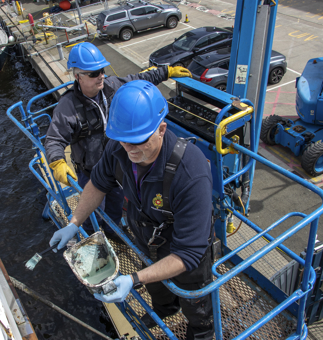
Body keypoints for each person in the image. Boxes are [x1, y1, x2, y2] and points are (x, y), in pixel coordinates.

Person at [49, 80, 214, 339]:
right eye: (123, 140)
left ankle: (199, 331)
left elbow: (188, 254)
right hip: (147, 242)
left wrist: (133, 279)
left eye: (138, 141)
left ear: (161, 129)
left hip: (183, 254)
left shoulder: (190, 172)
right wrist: (74, 222)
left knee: (197, 306)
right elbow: (98, 183)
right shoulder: (119, 149)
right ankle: (164, 309)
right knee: (157, 289)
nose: (130, 149)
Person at [45, 42, 191, 238]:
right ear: (77, 76)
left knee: (115, 206)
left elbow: (139, 79)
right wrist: (57, 162)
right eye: (94, 73)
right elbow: (54, 139)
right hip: (90, 172)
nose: (101, 76)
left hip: (116, 165)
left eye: (102, 70)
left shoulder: (111, 87)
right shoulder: (68, 106)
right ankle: (90, 238)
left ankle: (112, 233)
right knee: (92, 212)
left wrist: (166, 72)